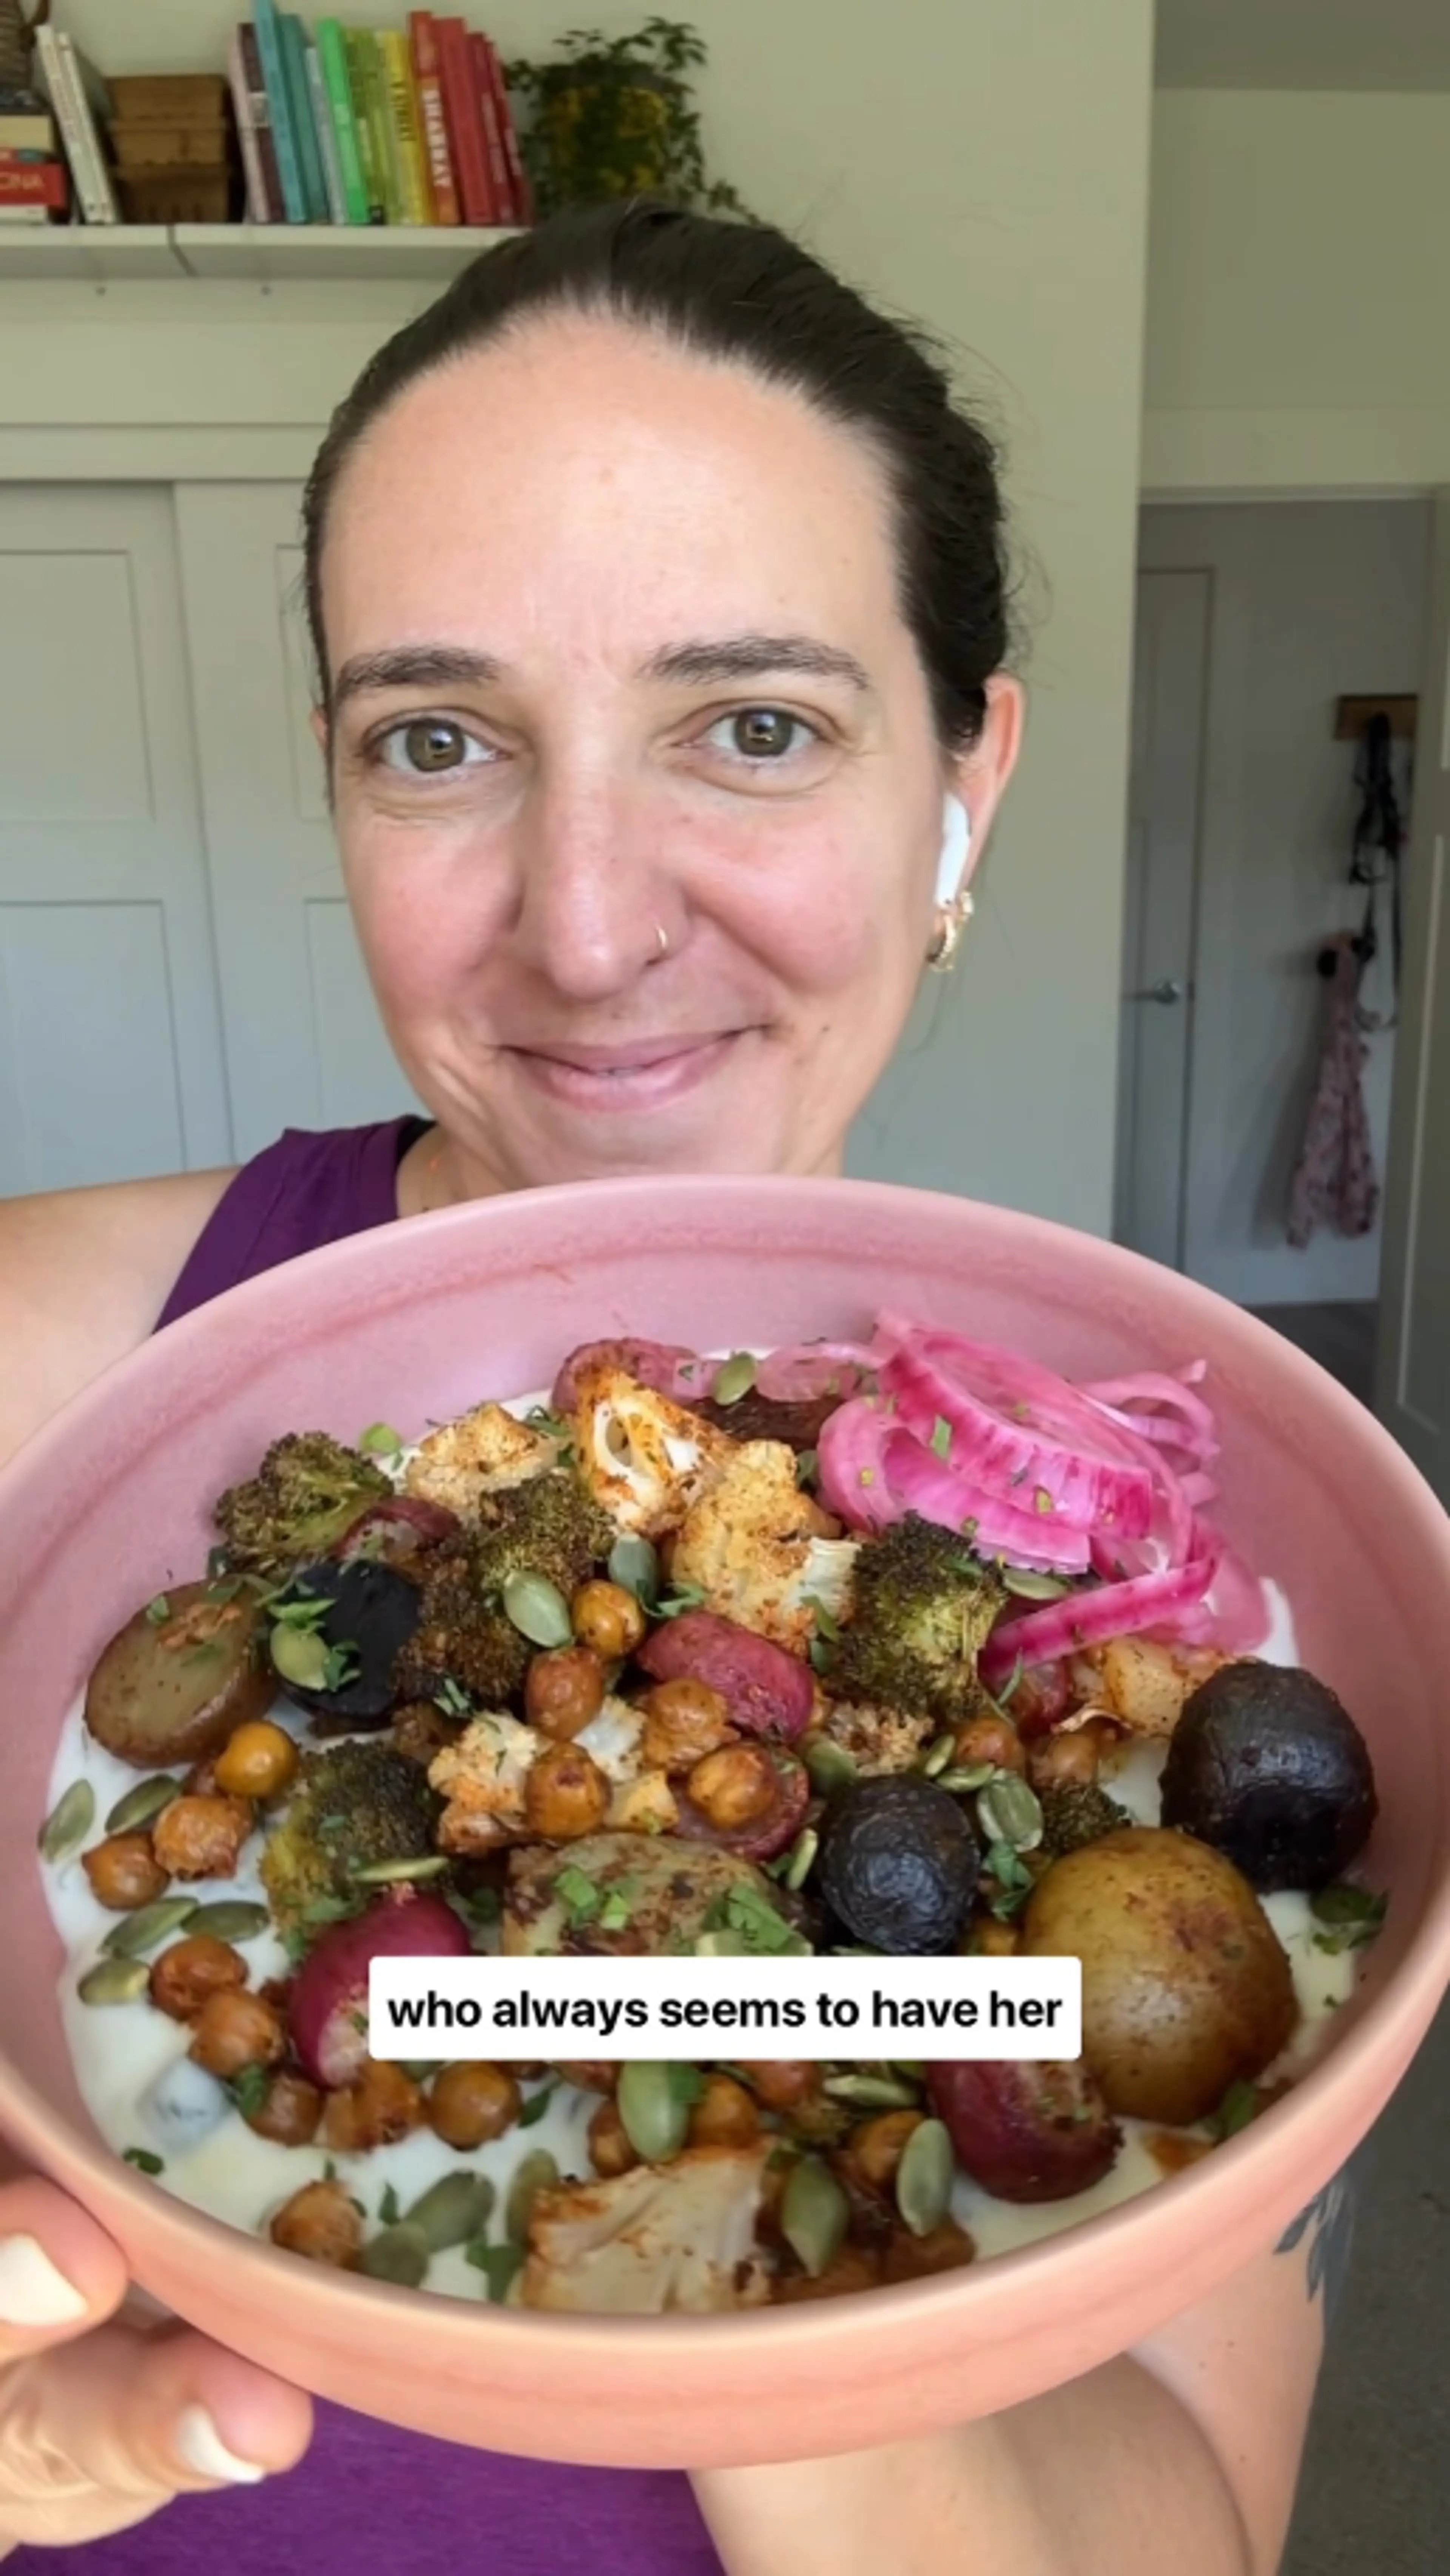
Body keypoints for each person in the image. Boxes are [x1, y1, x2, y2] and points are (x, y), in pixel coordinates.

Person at [0, 202, 1345, 2574]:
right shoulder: (33, 1374)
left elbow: (1189, 2536)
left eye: (755, 726)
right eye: (440, 739)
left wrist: (751, 2051)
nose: (592, 923)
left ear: (964, 779)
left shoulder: (1176, 1590)